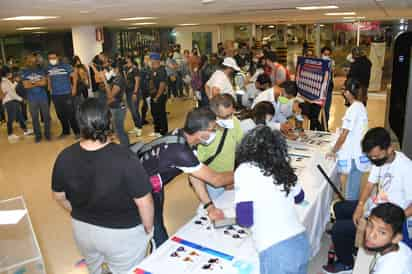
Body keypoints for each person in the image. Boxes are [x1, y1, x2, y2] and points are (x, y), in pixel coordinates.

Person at [52, 99, 154, 274]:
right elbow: (144, 202)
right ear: (109, 121)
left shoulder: (64, 156)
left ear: (80, 122)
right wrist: (148, 228)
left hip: (82, 230)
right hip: (121, 233)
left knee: (95, 268)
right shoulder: (125, 157)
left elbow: (59, 196)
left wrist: (78, 212)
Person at [135, 107, 234, 246]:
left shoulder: (183, 137)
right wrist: (243, 173)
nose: (215, 132)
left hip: (153, 183)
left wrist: (210, 207)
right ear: (200, 133)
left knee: (157, 225)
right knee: (156, 231)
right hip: (141, 189)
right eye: (212, 130)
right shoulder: (180, 151)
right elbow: (216, 180)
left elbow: (194, 175)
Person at [323, 127, 412, 274]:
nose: (373, 160)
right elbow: (370, 184)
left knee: (339, 228)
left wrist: (394, 220)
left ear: (390, 149)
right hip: (376, 208)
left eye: (376, 156)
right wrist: (360, 205)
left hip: (387, 219)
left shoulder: (407, 168)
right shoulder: (380, 161)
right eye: (371, 157)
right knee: (340, 208)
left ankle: (346, 264)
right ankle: (351, 246)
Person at [235, 126, 310, 274]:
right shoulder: (283, 167)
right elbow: (300, 197)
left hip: (276, 250)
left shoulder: (245, 170)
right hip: (301, 242)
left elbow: (245, 219)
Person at [326, 78, 369, 200]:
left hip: (354, 155)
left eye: (345, 90)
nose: (343, 93)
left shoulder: (354, 109)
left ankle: (350, 213)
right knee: (353, 185)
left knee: (351, 191)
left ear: (350, 92)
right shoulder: (360, 106)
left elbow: (344, 135)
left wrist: (333, 151)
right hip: (358, 152)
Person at [193, 94, 243, 200]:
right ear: (213, 114)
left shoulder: (234, 122)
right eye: (225, 117)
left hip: (229, 178)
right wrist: (219, 180)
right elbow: (197, 166)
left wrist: (231, 179)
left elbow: (241, 147)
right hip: (211, 183)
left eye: (231, 114)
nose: (230, 118)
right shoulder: (205, 134)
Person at [365, 203, 412, 274]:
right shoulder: (400, 246)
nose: (371, 235)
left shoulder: (387, 270)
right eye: (370, 225)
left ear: (396, 238)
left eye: (382, 232)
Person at [47, 52, 80, 139]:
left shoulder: (65, 66)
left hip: (66, 93)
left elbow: (75, 76)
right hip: (55, 95)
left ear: (58, 57)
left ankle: (77, 132)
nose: (52, 60)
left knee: (70, 113)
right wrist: (49, 87)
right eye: (50, 58)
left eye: (53, 57)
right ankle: (66, 131)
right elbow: (49, 77)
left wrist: (74, 88)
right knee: (60, 114)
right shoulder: (48, 67)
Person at [21, 53, 51, 143]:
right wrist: (38, 82)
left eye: (33, 60)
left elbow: (44, 83)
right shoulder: (24, 71)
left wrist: (32, 83)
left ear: (36, 60)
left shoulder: (42, 70)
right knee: (34, 118)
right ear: (27, 61)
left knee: (46, 117)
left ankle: (47, 134)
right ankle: (38, 135)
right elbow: (25, 85)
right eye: (30, 60)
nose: (32, 62)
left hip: (43, 97)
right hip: (31, 98)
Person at [0, 67, 33, 142]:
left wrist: (15, 82)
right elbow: (12, 94)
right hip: (10, 102)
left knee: (20, 116)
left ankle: (25, 130)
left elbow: (11, 89)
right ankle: (10, 134)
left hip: (13, 102)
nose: (11, 74)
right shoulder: (4, 82)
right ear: (7, 73)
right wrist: (22, 100)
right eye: (10, 72)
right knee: (10, 119)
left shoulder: (6, 81)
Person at [101, 62, 129, 146]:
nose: (111, 70)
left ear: (116, 69)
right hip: (116, 106)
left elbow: (110, 96)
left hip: (119, 108)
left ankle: (126, 147)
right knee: (117, 129)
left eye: (112, 68)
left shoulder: (119, 79)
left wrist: (105, 81)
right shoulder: (116, 78)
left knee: (119, 129)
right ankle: (125, 146)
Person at [148, 52, 168, 137]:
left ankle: (163, 131)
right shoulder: (153, 70)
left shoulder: (161, 70)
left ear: (156, 60)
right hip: (153, 95)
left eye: (151, 59)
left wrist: (157, 96)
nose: (150, 61)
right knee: (154, 112)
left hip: (159, 95)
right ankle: (157, 130)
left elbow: (162, 84)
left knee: (161, 113)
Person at [124, 55, 142, 137]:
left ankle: (139, 128)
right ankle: (136, 126)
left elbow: (137, 81)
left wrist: (135, 93)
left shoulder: (135, 69)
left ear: (130, 59)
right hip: (127, 92)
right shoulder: (126, 68)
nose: (125, 59)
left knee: (135, 110)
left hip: (134, 92)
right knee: (131, 110)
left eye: (127, 58)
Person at [321, 46, 335, 128]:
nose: (326, 56)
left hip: (328, 89)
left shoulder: (331, 63)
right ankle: (316, 127)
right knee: (316, 111)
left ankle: (324, 127)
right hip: (318, 90)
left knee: (326, 109)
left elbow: (332, 75)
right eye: (325, 54)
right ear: (321, 54)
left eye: (328, 55)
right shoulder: (318, 63)